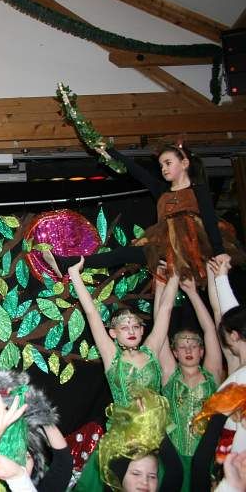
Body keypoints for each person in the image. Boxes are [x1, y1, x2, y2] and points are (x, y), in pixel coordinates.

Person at [45, 144, 242, 282]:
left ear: (184, 163)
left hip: (192, 245)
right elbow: (136, 171)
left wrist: (219, 251)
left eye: (168, 163)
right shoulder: (162, 191)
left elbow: (209, 219)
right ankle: (69, 262)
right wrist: (109, 150)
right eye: (161, 165)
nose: (164, 168)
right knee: (122, 254)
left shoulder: (198, 191)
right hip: (165, 247)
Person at [69, 258, 178, 492]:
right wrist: (75, 274)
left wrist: (177, 270)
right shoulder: (113, 357)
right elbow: (91, 312)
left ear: (142, 330)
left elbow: (166, 309)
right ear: (113, 334)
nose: (131, 331)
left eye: (136, 326)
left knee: (174, 473)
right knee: (116, 483)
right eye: (124, 327)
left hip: (156, 430)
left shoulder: (151, 351)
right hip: (123, 433)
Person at [158, 277, 223, 491]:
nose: (188, 350)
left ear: (202, 351)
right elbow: (160, 329)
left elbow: (210, 330)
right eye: (182, 346)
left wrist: (193, 293)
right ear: (175, 352)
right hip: (171, 460)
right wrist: (161, 287)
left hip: (206, 460)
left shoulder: (212, 375)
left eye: (194, 345)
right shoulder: (169, 376)